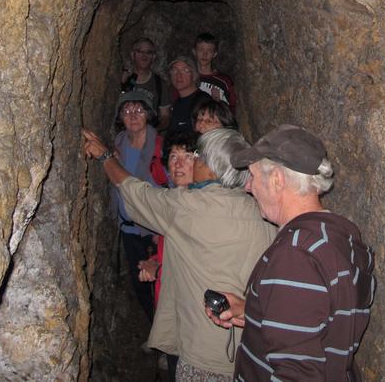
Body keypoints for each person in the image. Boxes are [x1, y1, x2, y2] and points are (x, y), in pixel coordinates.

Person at [82, 127, 276, 381]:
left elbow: (134, 191)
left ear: (211, 166)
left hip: (204, 355)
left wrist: (106, 157)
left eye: (198, 156)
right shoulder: (262, 211)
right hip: (255, 353)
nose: (193, 161)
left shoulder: (189, 207)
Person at [206, 124, 376, 381]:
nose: (248, 187)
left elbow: (299, 374)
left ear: (277, 179)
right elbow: (318, 326)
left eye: (252, 176)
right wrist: (255, 314)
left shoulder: (296, 256)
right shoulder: (335, 238)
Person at [136, 130, 199, 380]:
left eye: (187, 156)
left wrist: (159, 270)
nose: (178, 163)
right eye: (173, 156)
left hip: (192, 317)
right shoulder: (173, 201)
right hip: (172, 310)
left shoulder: (202, 207)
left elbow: (196, 268)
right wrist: (155, 262)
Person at [109, 91, 167, 323]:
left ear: (149, 114)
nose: (133, 116)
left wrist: (162, 231)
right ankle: (154, 328)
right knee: (139, 283)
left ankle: (167, 336)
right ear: (120, 117)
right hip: (129, 229)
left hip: (154, 230)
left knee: (161, 282)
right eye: (127, 111)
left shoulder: (161, 148)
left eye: (139, 110)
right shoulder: (118, 145)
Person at [121, 37, 172, 131]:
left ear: (153, 57)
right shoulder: (122, 80)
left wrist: (153, 132)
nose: (144, 56)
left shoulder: (159, 84)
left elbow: (165, 116)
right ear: (133, 55)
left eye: (149, 52)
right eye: (140, 51)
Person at [192, 32, 237, 114]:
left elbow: (234, 110)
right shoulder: (187, 78)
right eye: (201, 50)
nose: (205, 54)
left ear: (214, 54)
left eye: (209, 51)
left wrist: (218, 102)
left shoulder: (224, 81)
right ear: (194, 52)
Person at [168, 56, 211, 134]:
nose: (179, 75)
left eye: (185, 70)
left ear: (194, 75)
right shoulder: (177, 102)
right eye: (174, 70)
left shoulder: (204, 102)